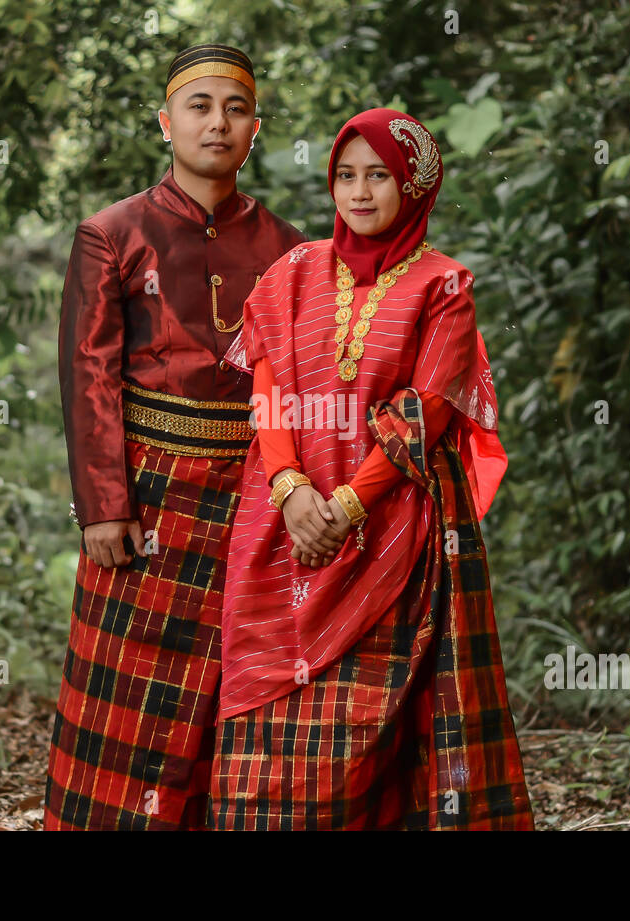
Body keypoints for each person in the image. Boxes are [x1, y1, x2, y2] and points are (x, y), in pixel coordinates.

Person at [209, 108, 535, 830]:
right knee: (262, 713)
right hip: (279, 528)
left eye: (379, 175)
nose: (359, 191)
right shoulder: (291, 273)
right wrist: (292, 490)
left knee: (364, 734)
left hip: (395, 536)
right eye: (346, 175)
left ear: (414, 185)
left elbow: (426, 411)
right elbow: (266, 389)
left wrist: (348, 509)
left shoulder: (444, 287)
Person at [44, 43, 307, 830]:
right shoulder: (111, 234)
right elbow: (87, 373)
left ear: (254, 129)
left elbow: (299, 382)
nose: (216, 123)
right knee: (127, 698)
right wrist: (101, 505)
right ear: (167, 123)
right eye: (199, 107)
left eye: (234, 109)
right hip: (148, 494)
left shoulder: (290, 247)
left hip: (256, 494)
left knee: (236, 689)